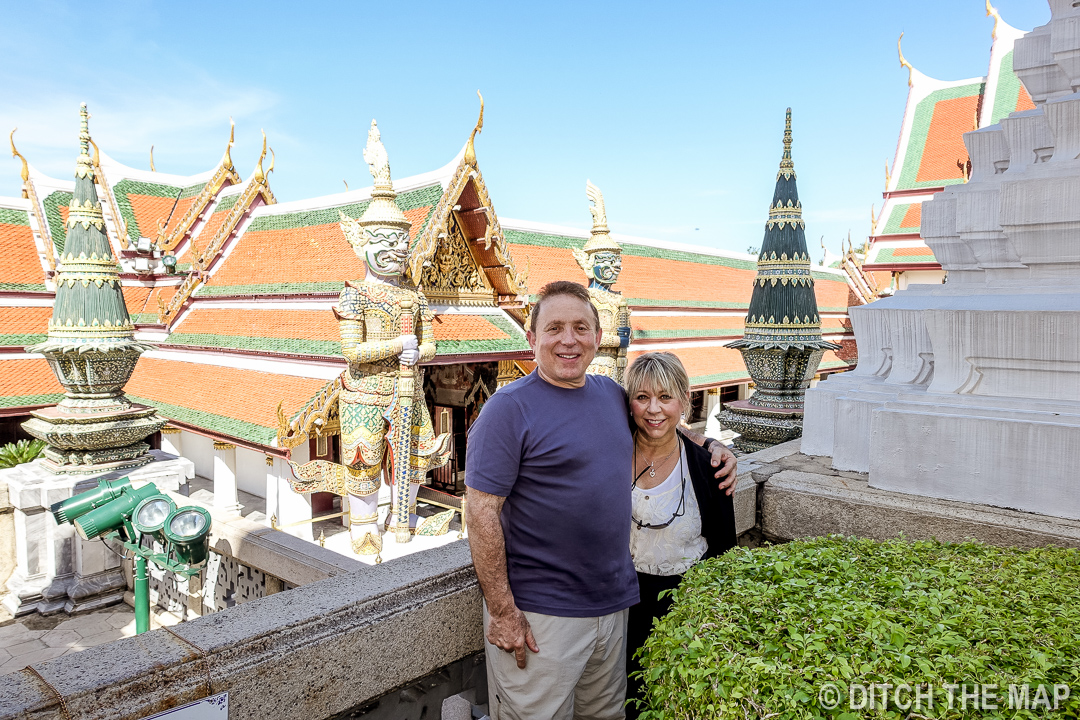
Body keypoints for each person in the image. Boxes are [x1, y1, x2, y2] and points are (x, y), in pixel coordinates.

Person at [465, 281, 737, 720]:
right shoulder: (509, 409)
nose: (569, 340)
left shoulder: (611, 395)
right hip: (543, 615)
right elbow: (479, 513)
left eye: (580, 327)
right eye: (554, 328)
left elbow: (659, 423)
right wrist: (502, 612)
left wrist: (710, 447)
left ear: (597, 336)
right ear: (531, 338)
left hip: (613, 608)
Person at [622, 352, 738, 718]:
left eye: (665, 397)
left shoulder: (709, 468)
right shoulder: (610, 452)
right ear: (629, 403)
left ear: (685, 401)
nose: (653, 409)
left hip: (685, 604)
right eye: (642, 397)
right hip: (619, 603)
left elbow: (724, 550)